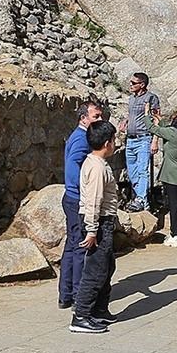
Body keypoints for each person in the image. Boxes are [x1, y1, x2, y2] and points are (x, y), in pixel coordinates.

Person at [70, 119, 122, 334]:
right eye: (114, 140)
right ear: (107, 143)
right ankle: (81, 315)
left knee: (107, 266)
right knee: (95, 269)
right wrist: (92, 230)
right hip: (98, 223)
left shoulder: (96, 163)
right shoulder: (97, 167)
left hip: (103, 221)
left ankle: (99, 309)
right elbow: (93, 200)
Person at [59, 100, 104, 310]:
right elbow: (72, 168)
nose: (100, 120)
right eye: (95, 116)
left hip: (72, 196)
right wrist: (84, 191)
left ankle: (66, 294)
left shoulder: (81, 137)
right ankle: (77, 294)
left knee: (71, 246)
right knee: (79, 247)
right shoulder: (80, 139)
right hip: (76, 198)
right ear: (83, 118)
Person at [145, 108, 177, 247]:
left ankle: (174, 235)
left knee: (174, 206)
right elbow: (167, 127)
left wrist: (146, 115)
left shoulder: (172, 133)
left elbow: (152, 128)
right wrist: (160, 119)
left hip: (172, 177)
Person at [122, 72, 160, 212]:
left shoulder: (151, 98)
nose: (131, 85)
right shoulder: (132, 98)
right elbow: (131, 114)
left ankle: (140, 199)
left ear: (142, 84)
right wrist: (125, 121)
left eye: (133, 83)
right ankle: (143, 201)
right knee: (132, 172)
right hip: (130, 139)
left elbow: (157, 119)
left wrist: (155, 140)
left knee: (142, 170)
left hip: (144, 138)